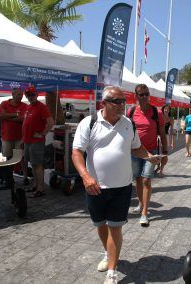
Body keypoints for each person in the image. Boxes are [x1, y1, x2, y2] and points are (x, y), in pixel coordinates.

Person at [72, 86, 160, 284]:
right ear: (105, 103)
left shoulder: (128, 124)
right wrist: (86, 177)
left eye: (124, 101)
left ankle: (112, 270)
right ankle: (108, 252)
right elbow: (76, 152)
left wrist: (149, 156)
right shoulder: (90, 123)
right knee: (100, 224)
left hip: (122, 187)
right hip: (95, 187)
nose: (123, 105)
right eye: (117, 101)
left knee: (115, 227)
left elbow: (136, 147)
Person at [127, 84, 167, 227]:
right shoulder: (131, 112)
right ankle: (140, 203)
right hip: (135, 151)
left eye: (146, 94)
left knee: (146, 180)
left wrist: (166, 153)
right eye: (141, 94)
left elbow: (162, 133)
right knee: (137, 179)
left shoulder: (157, 113)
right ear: (136, 96)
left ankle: (144, 212)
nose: (144, 97)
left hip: (152, 152)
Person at [22, 86, 54, 198]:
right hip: (27, 141)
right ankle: (36, 185)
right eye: (28, 95)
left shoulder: (42, 107)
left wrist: (42, 133)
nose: (31, 97)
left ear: (37, 95)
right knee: (33, 164)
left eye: (32, 94)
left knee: (38, 164)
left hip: (36, 141)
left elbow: (50, 123)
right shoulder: (28, 107)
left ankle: (40, 189)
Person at [0, 88, 29, 184]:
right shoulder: (4, 103)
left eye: (21, 94)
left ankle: (25, 177)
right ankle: (8, 178)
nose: (21, 96)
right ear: (13, 94)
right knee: (8, 157)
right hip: (7, 136)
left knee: (22, 158)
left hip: (20, 137)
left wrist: (8, 117)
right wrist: (15, 114)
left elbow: (24, 119)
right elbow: (0, 116)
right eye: (18, 94)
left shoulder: (25, 106)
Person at [156, 104, 174, 177]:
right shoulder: (159, 117)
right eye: (165, 109)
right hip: (157, 137)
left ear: (169, 110)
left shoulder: (171, 119)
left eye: (168, 109)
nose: (166, 110)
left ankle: (161, 170)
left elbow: (171, 132)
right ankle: (158, 167)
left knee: (165, 155)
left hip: (165, 137)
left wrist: (172, 142)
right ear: (163, 109)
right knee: (157, 154)